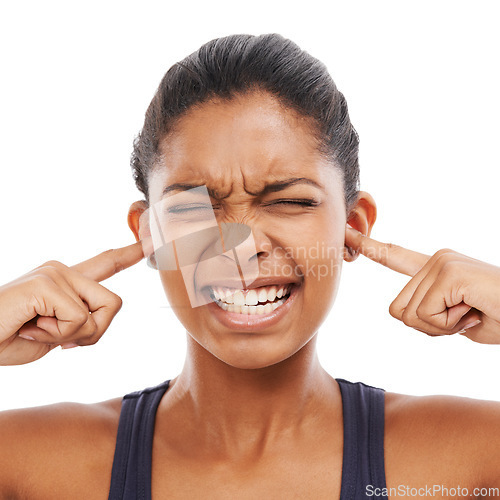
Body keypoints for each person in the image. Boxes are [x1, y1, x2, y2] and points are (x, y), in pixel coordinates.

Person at [1, 33, 499, 499]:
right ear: (150, 235)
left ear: (353, 226)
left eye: (289, 202)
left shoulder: (470, 458)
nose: (241, 248)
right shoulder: (29, 463)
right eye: (193, 208)